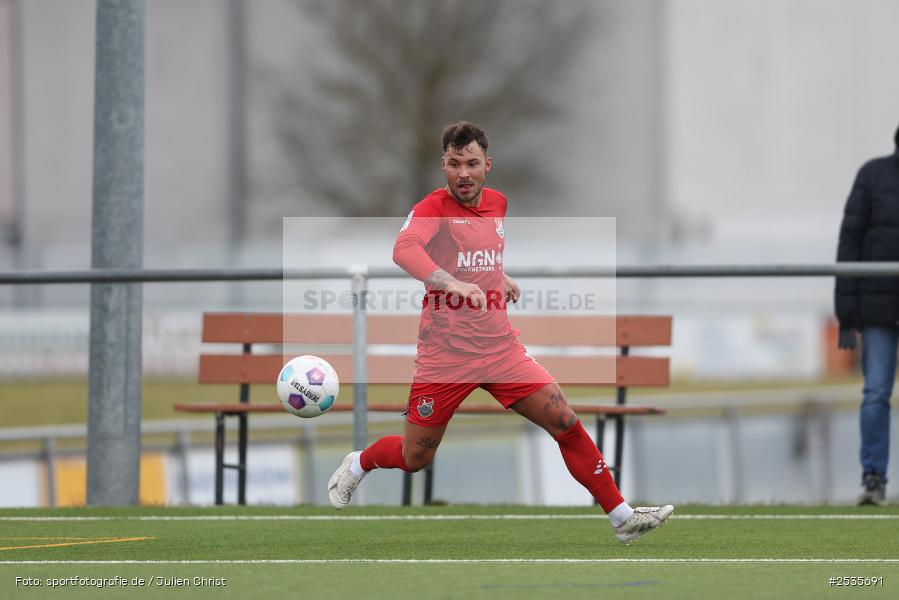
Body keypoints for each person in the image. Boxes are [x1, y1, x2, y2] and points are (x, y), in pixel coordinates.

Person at [328, 121, 673, 543]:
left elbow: (476, 252)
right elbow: (404, 250)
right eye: (455, 164)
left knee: (564, 420)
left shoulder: (498, 204)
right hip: (446, 357)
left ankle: (622, 518)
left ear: (487, 164)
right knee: (415, 455)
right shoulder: (431, 209)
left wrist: (499, 275)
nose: (464, 173)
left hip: (499, 350)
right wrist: (449, 282)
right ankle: (360, 463)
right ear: (444, 166)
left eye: (472, 163)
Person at [835, 124, 899, 506]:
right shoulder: (872, 176)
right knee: (876, 393)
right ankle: (873, 478)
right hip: (878, 310)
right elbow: (849, 241)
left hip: (876, 306)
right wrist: (846, 313)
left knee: (875, 393)